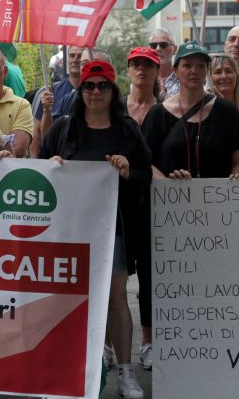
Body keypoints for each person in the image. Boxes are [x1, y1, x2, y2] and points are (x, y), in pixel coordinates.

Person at [41, 60, 151, 399]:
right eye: (89, 85)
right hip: (68, 230)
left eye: (103, 85)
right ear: (80, 90)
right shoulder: (63, 128)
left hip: (112, 231)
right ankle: (64, 373)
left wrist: (127, 169)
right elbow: (39, 169)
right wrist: (52, 166)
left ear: (113, 90)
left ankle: (125, 373)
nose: (96, 92)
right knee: (65, 301)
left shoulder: (127, 129)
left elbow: (146, 177)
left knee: (117, 299)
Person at [142, 41, 239, 180]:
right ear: (175, 70)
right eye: (187, 65)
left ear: (207, 70)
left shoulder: (226, 111)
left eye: (200, 65)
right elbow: (144, 161)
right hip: (172, 200)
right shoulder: (157, 114)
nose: (194, 71)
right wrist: (168, 185)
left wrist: (237, 178)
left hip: (218, 199)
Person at [120, 46, 161, 370]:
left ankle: (148, 342)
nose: (141, 71)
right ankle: (106, 345)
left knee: (149, 278)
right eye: (136, 65)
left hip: (152, 205)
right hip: (117, 204)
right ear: (128, 69)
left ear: (157, 71)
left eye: (148, 65)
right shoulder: (116, 108)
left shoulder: (165, 111)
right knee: (113, 277)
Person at [33, 46, 86, 154]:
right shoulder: (52, 90)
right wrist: (35, 162)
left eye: (79, 56)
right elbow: (37, 132)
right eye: (72, 56)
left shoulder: (96, 93)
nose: (75, 59)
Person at [148, 28, 179, 97]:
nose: (158, 49)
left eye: (163, 45)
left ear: (174, 49)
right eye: (153, 45)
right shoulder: (142, 78)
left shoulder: (183, 78)